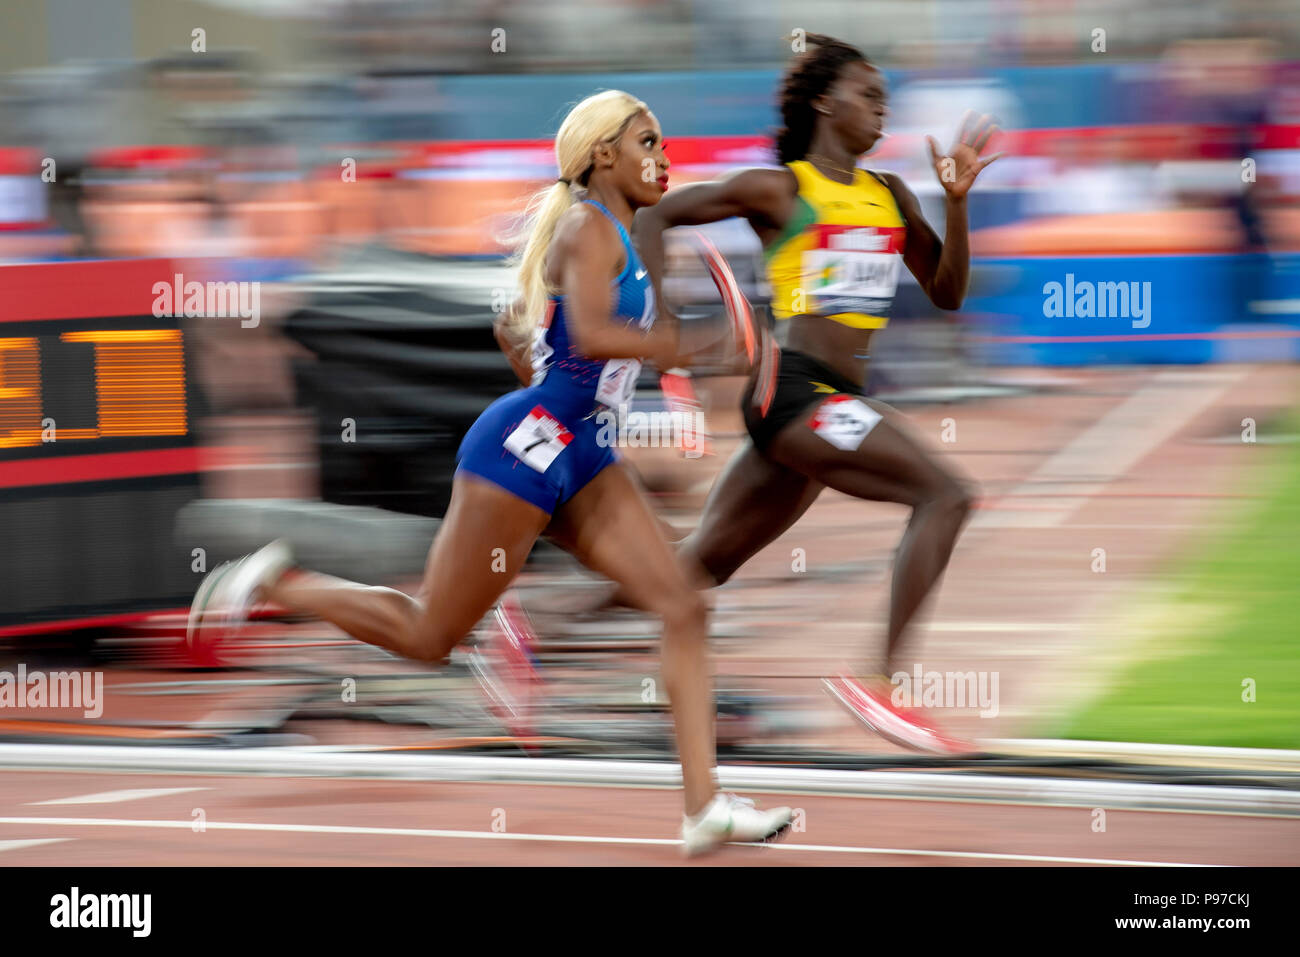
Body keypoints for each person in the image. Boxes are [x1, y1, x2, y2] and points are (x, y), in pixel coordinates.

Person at [187, 90, 791, 855]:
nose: (663, 156)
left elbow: (545, 343)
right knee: (432, 633)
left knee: (684, 605)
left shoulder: (621, 237)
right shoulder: (584, 226)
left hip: (586, 453)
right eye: (648, 140)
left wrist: (686, 350)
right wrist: (702, 343)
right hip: (525, 450)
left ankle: (703, 806)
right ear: (602, 153)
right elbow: (601, 335)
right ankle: (281, 581)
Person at [629, 36, 1002, 753]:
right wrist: (664, 318)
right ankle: (882, 682)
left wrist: (956, 203)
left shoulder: (889, 195)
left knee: (698, 564)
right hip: (794, 391)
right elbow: (654, 215)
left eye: (885, 99)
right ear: (826, 102)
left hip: (831, 399)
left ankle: (533, 634)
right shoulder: (783, 189)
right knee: (946, 494)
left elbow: (948, 292)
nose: (882, 109)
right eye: (869, 95)